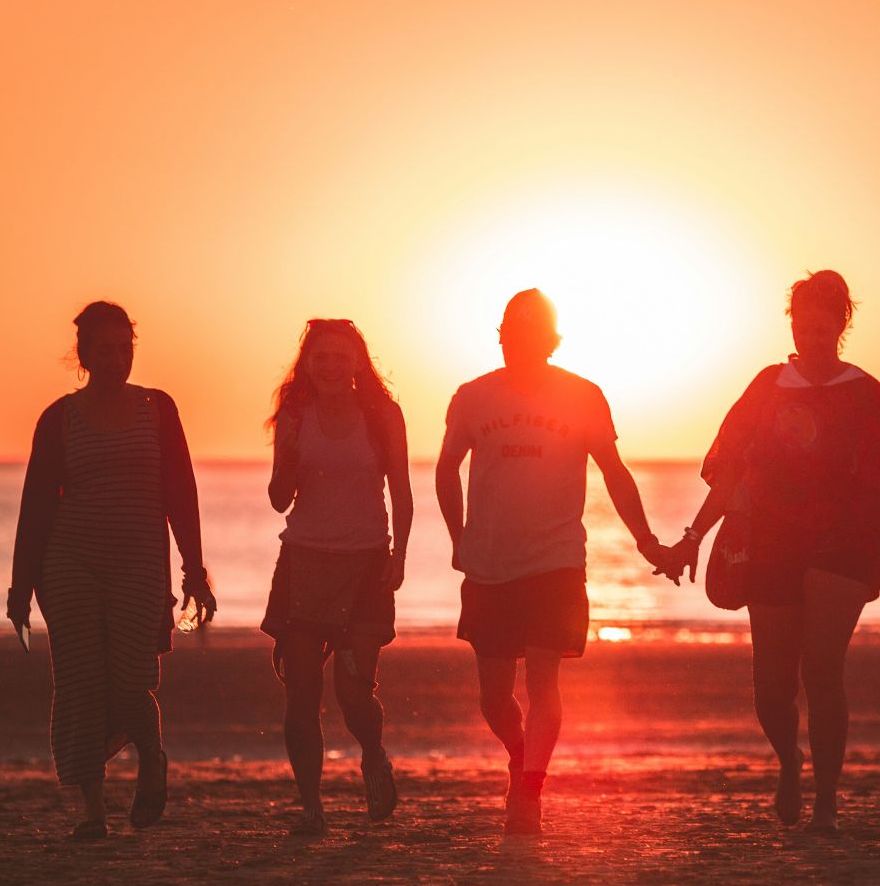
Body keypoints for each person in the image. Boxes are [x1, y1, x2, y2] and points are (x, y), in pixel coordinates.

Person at [665, 270, 880, 832]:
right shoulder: (767, 387)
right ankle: (790, 762)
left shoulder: (867, 394)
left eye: (821, 323)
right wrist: (694, 535)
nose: (810, 334)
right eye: (800, 323)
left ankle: (827, 800)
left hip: (845, 544)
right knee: (772, 685)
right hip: (772, 541)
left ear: (842, 323)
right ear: (791, 322)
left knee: (823, 669)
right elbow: (730, 468)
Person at [436, 289, 678, 836]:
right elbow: (446, 468)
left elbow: (614, 472)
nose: (519, 344)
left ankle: (529, 791)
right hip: (490, 565)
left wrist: (645, 540)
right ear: (500, 338)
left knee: (544, 682)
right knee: (494, 697)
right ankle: (520, 754)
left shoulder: (583, 396)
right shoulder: (473, 397)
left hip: (556, 561)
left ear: (551, 342)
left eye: (531, 335)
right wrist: (460, 538)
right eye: (510, 335)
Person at [8, 301, 216, 840]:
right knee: (79, 684)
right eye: (106, 350)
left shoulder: (157, 409)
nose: (118, 359)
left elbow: (181, 493)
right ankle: (93, 811)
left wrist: (195, 572)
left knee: (130, 683)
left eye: (126, 348)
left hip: (139, 566)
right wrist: (20, 588)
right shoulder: (59, 418)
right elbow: (36, 506)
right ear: (84, 355)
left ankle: (152, 758)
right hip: (70, 563)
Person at [262, 319, 412, 835]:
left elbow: (402, 490)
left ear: (356, 364)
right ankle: (312, 809)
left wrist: (401, 553)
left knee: (352, 692)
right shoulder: (295, 415)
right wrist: (287, 458)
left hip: (367, 562)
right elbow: (280, 498)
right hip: (304, 562)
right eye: (320, 358)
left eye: (340, 357)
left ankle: (373, 754)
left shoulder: (382, 415)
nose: (330, 366)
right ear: (306, 364)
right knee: (301, 694)